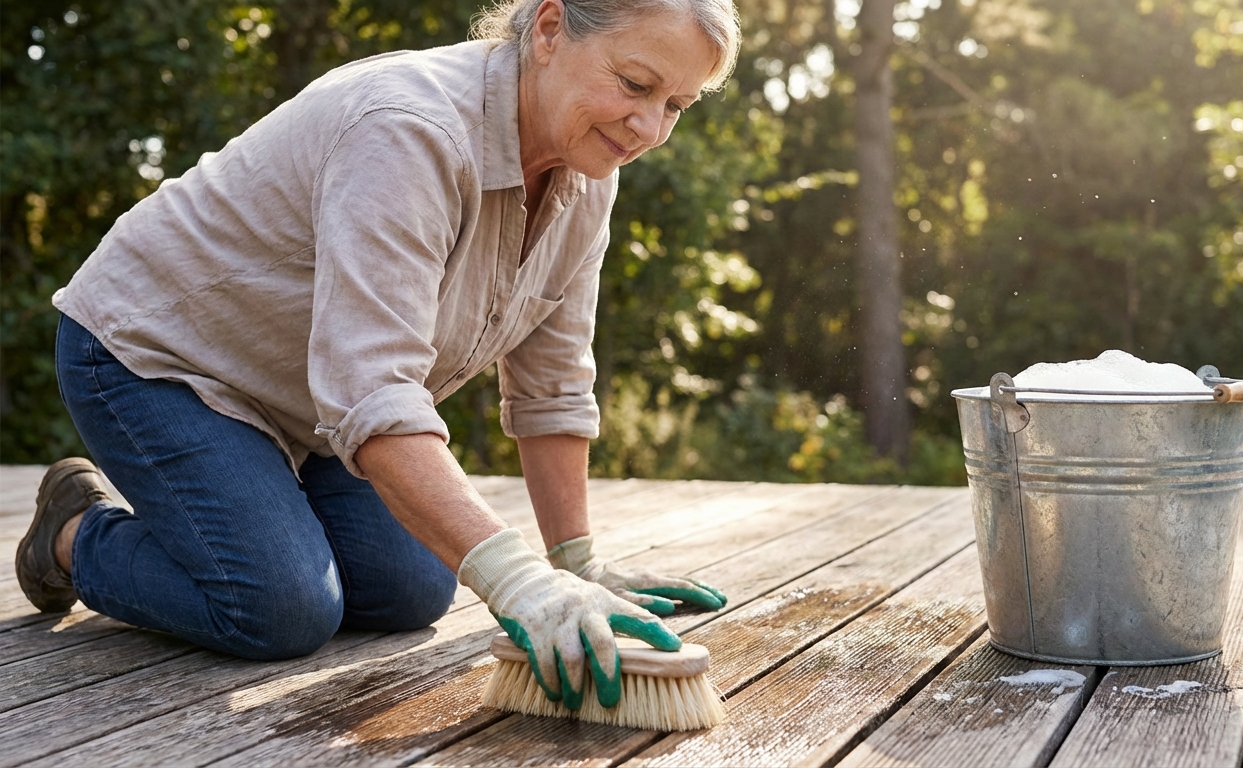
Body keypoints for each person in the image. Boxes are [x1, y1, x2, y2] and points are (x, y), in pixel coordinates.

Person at [15, 0, 739, 712]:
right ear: (549, 29)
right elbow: (373, 390)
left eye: (678, 104)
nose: (649, 129)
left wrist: (574, 563)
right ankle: (72, 535)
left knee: (414, 589)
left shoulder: (589, 170)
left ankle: (258, 520)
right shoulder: (407, 129)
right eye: (636, 85)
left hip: (310, 391)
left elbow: (552, 382)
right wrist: (520, 583)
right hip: (159, 355)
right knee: (282, 608)